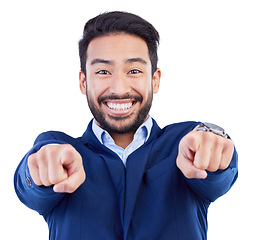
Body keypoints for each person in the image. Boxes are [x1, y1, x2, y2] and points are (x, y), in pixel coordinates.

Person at [14, 11, 238, 240]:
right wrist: (39, 169)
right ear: (83, 82)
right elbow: (30, 184)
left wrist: (214, 148)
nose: (119, 89)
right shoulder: (63, 151)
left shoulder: (184, 144)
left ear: (155, 79)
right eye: (103, 71)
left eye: (134, 71)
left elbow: (215, 169)